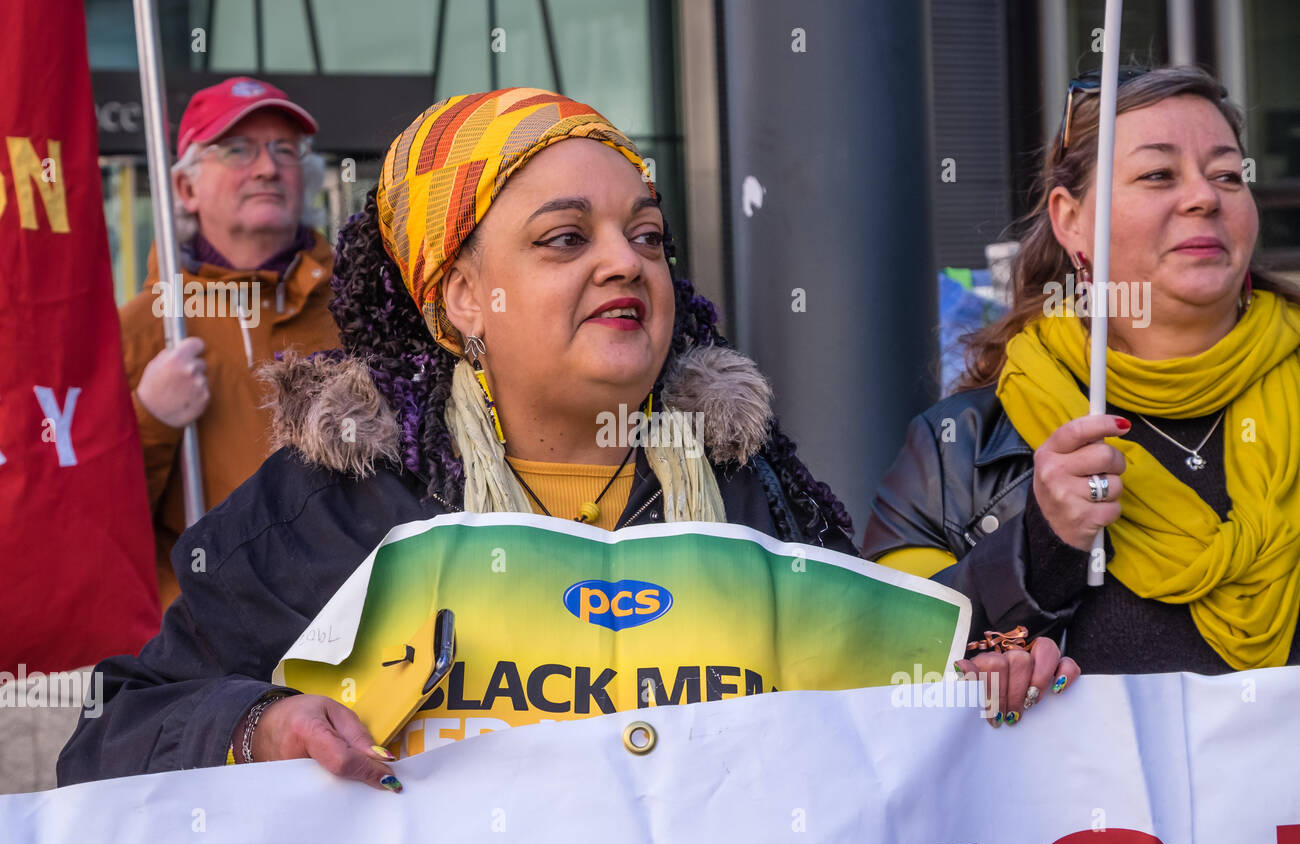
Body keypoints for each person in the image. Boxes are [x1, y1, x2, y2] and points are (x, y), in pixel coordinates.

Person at [59, 88, 856, 792]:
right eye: (566, 239)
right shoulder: (334, 504)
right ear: (464, 296)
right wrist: (256, 726)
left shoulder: (752, 485)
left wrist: (970, 681)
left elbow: (878, 708)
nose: (626, 261)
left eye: (646, 236)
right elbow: (110, 734)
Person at [861, 65, 1300, 726]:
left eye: (1228, 174)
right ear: (1071, 222)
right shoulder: (960, 449)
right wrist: (1041, 545)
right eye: (1159, 174)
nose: (1204, 198)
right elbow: (873, 660)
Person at [119, 76, 340, 610]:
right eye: (236, 149)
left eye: (284, 150)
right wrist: (150, 417)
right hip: (202, 643)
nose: (266, 167)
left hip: (354, 632)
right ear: (185, 189)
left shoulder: (357, 314)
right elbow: (95, 529)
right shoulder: (141, 330)